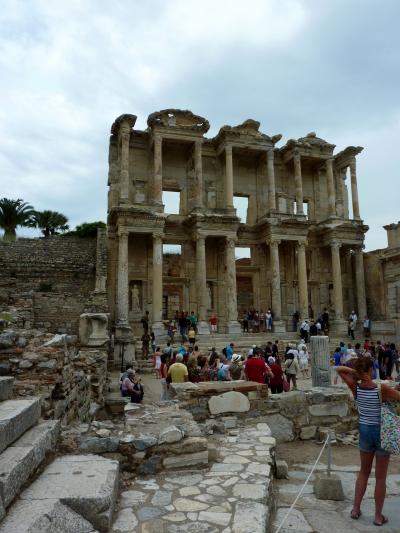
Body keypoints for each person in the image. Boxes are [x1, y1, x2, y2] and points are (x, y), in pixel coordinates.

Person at [336, 358, 400, 526]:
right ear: (371, 369)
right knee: (380, 478)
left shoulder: (355, 387)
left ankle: (356, 509)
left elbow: (339, 369)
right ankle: (378, 516)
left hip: (364, 431)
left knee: (363, 472)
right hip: (380, 431)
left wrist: (356, 374)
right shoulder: (381, 389)